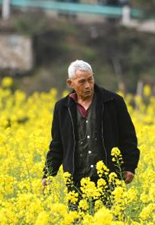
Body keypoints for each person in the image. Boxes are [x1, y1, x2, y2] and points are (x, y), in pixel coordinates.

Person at [42, 60, 140, 202]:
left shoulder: (113, 102)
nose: (88, 86)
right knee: (78, 222)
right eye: (82, 82)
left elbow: (128, 137)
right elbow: (58, 145)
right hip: (76, 183)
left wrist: (130, 166)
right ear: (70, 83)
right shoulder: (62, 108)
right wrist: (48, 173)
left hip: (109, 179)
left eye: (90, 79)